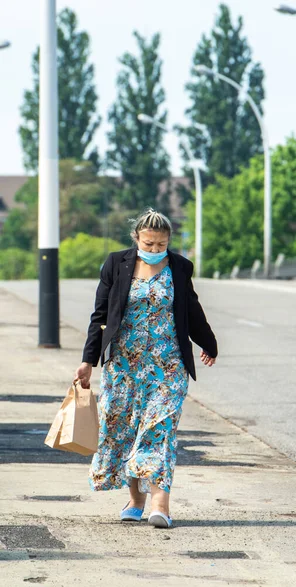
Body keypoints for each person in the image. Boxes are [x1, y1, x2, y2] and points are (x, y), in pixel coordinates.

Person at [75, 208, 217, 529]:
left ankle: (160, 505)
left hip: (168, 366)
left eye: (161, 244)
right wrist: (88, 360)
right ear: (137, 238)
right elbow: (99, 317)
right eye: (149, 243)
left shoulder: (180, 267)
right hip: (124, 366)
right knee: (123, 430)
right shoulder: (116, 264)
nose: (154, 250)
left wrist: (209, 343)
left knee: (159, 430)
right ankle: (136, 500)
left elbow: (191, 310)